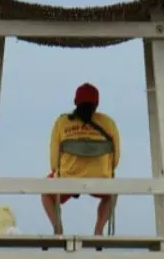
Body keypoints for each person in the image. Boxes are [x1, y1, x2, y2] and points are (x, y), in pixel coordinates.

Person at [42, 82, 121, 235]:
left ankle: (58, 229)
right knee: (112, 193)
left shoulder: (62, 122)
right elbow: (115, 159)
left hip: (67, 177)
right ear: (97, 104)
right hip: (101, 179)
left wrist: (62, 171)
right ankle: (99, 230)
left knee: (45, 192)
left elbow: (53, 159)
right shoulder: (108, 123)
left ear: (75, 102)